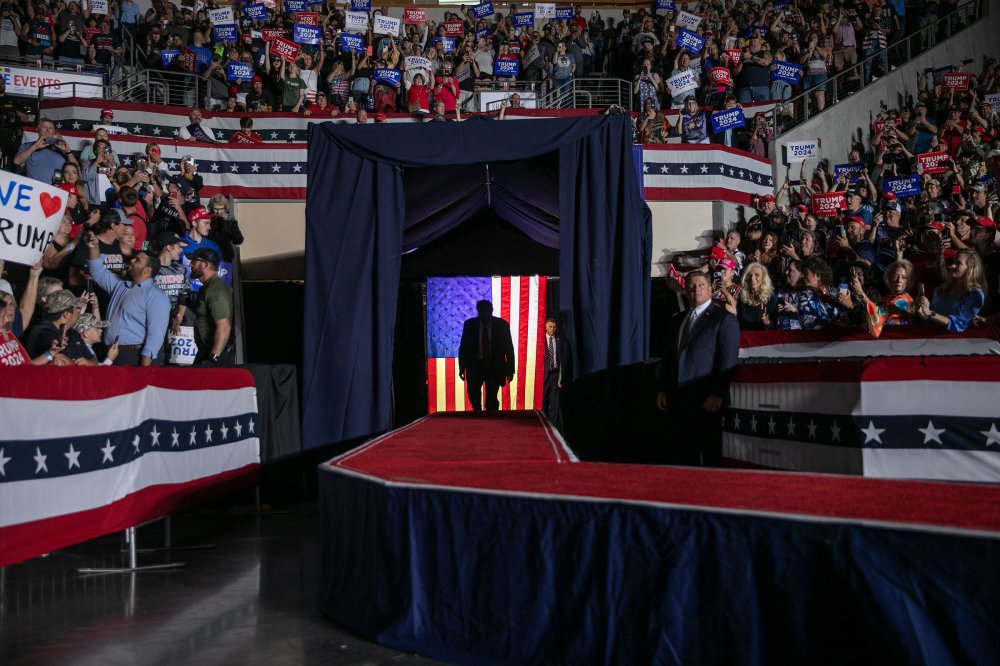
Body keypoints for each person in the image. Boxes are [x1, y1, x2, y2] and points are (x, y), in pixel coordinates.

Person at [655, 272, 740, 467]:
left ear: (710, 289)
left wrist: (717, 394)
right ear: (685, 291)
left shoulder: (723, 319)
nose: (696, 289)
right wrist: (663, 388)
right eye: (692, 286)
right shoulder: (677, 320)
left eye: (701, 285)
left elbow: (728, 360)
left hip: (707, 401)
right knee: (684, 456)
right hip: (678, 400)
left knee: (711, 456)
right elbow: (669, 357)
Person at [85, 231, 170, 366]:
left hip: (135, 357)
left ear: (147, 271)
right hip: (112, 354)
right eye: (134, 258)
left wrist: (145, 368)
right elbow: (97, 270)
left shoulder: (156, 295)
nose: (131, 260)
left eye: (137, 260)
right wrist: (94, 247)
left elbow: (156, 334)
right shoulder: (120, 285)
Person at [458, 299, 515, 411]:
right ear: (478, 311)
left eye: (487, 311)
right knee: (473, 396)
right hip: (475, 367)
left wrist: (510, 369)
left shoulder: (502, 325)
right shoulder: (469, 325)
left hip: (494, 367)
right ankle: (477, 417)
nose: (484, 313)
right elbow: (463, 348)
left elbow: (509, 348)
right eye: (482, 311)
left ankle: (491, 422)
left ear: (491, 310)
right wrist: (461, 368)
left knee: (492, 399)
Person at [917, 249, 986, 333]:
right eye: (953, 262)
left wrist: (930, 313)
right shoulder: (943, 287)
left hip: (955, 342)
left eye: (958, 263)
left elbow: (958, 325)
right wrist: (922, 311)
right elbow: (932, 319)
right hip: (932, 339)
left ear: (970, 268)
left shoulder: (974, 294)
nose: (952, 265)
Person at [188, 248, 234, 366]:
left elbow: (224, 327)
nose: (190, 264)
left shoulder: (215, 290)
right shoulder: (208, 287)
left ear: (204, 265)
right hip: (207, 351)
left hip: (215, 354)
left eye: (194, 261)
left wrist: (213, 358)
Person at [737, 262, 779, 330]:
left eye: (757, 275)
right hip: (746, 338)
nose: (752, 278)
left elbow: (776, 327)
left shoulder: (772, 299)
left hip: (764, 338)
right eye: (749, 275)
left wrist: (767, 322)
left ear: (763, 278)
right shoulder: (741, 298)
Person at [542, 316, 567, 426]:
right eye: (550, 326)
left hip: (555, 375)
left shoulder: (559, 340)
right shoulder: (541, 341)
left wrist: (560, 379)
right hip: (544, 375)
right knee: (543, 402)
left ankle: (552, 426)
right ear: (546, 327)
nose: (552, 329)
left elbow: (562, 360)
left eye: (554, 327)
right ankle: (543, 423)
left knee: (554, 403)